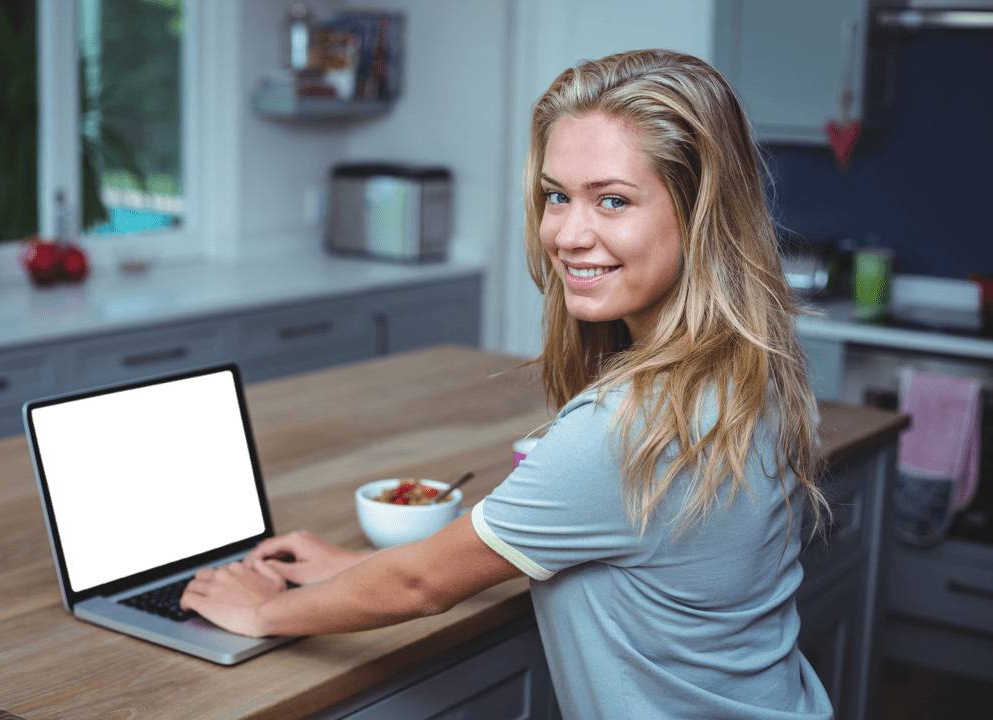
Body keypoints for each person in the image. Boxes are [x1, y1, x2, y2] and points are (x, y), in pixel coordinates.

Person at [181, 49, 835, 719]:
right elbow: (498, 554)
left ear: (702, 214)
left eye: (613, 200)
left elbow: (422, 584)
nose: (568, 234)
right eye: (557, 195)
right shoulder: (755, 368)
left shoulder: (625, 429)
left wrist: (265, 611)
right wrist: (347, 569)